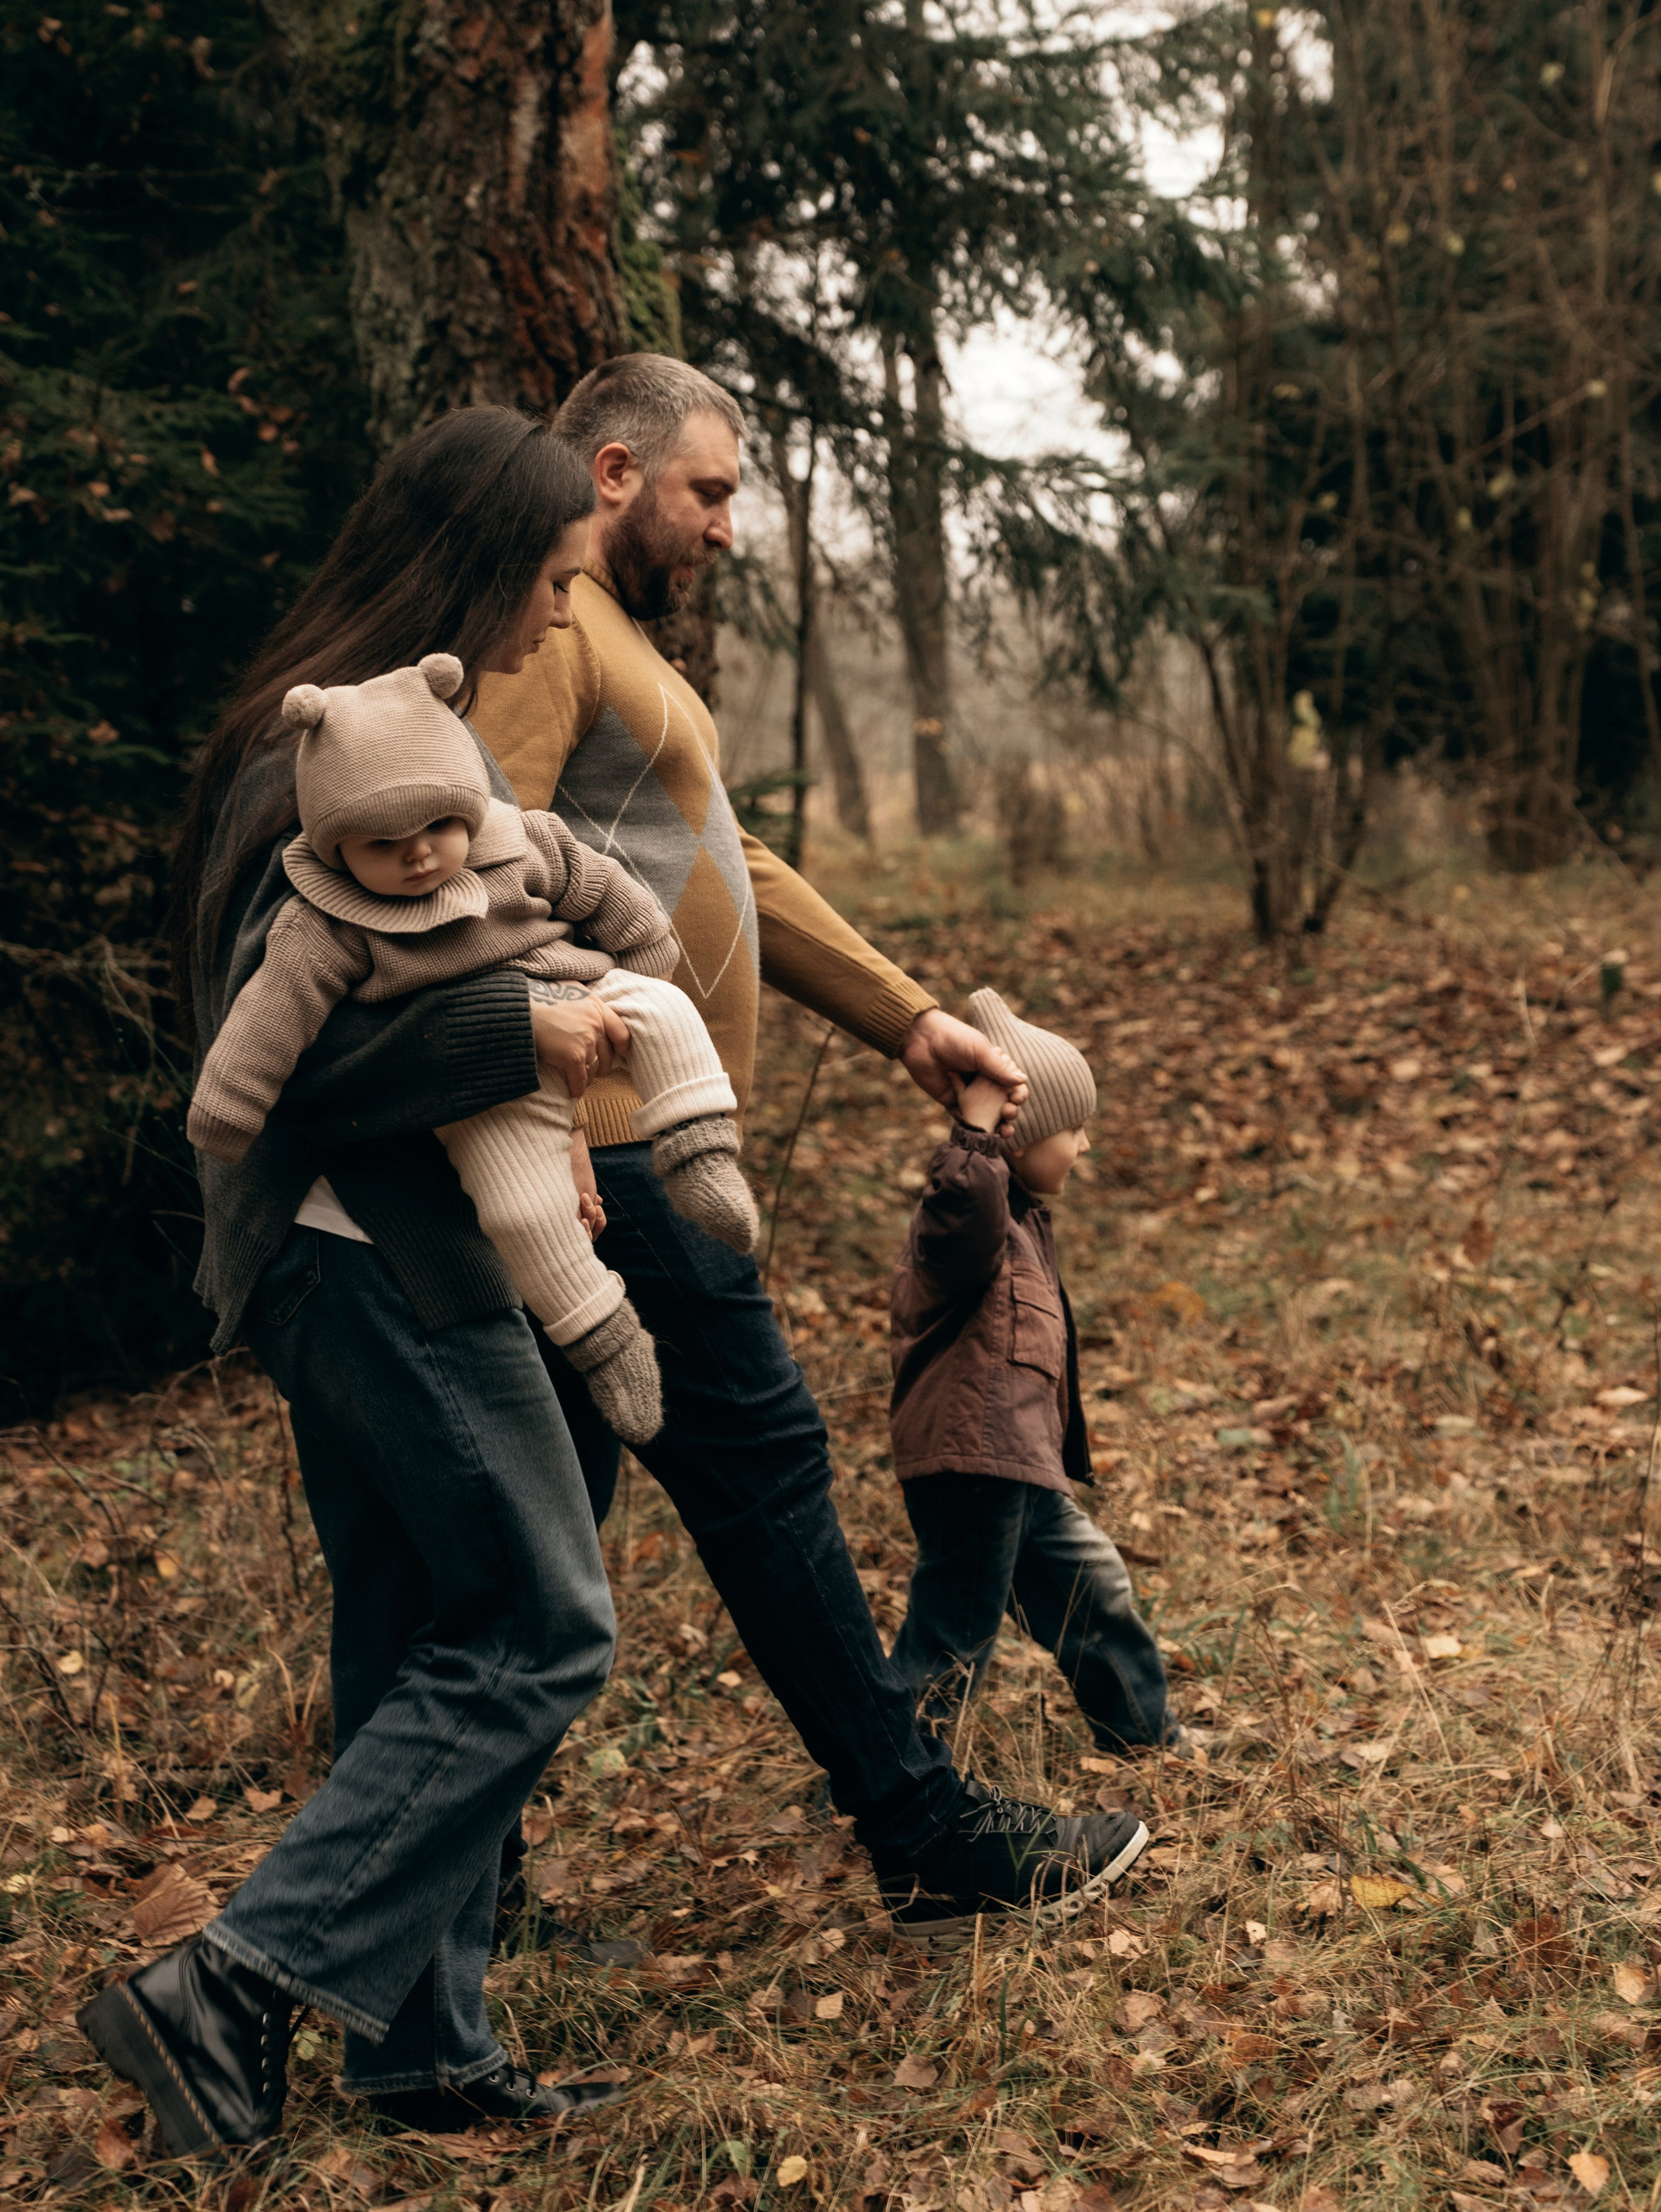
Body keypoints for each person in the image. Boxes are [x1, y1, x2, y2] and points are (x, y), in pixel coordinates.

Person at [472, 352, 1148, 1947]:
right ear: (618, 470)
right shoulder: (548, 623)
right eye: (709, 490)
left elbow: (732, 864)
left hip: (625, 1154)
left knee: (541, 1533)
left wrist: (911, 1019)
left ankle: (469, 1894)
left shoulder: (624, 644)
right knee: (767, 1469)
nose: (725, 526)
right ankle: (920, 1824)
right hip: (608, 1159)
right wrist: (549, 1117)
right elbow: (467, 876)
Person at [78, 409, 640, 2152]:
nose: (560, 618)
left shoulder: (387, 738)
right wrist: (521, 1033)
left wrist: (548, 1133)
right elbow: (295, 1052)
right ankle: (233, 1988)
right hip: (362, 1261)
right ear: (471, 564)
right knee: (547, 1626)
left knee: (423, 1633)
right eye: (550, 581)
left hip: (409, 1246)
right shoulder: (302, 761)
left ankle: (420, 2046)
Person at [188, 643, 762, 1445]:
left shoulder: (524, 842)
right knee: (521, 1218)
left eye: (437, 826)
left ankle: (700, 1154)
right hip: (483, 1095)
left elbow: (612, 900)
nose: (419, 853)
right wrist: (224, 1114)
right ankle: (604, 1337)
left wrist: (637, 966)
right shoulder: (325, 924)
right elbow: (268, 1019)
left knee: (665, 1012)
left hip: (582, 995)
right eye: (383, 846)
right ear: (336, 847)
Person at [888, 988, 1181, 1761]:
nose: (1083, 1147)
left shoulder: (1021, 1220)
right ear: (1019, 1137)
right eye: (1074, 1130)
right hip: (972, 1462)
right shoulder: (969, 1214)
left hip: (1017, 1463)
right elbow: (959, 1213)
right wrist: (976, 1131)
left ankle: (1147, 1739)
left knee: (1091, 1593)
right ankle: (885, 1779)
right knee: (953, 1632)